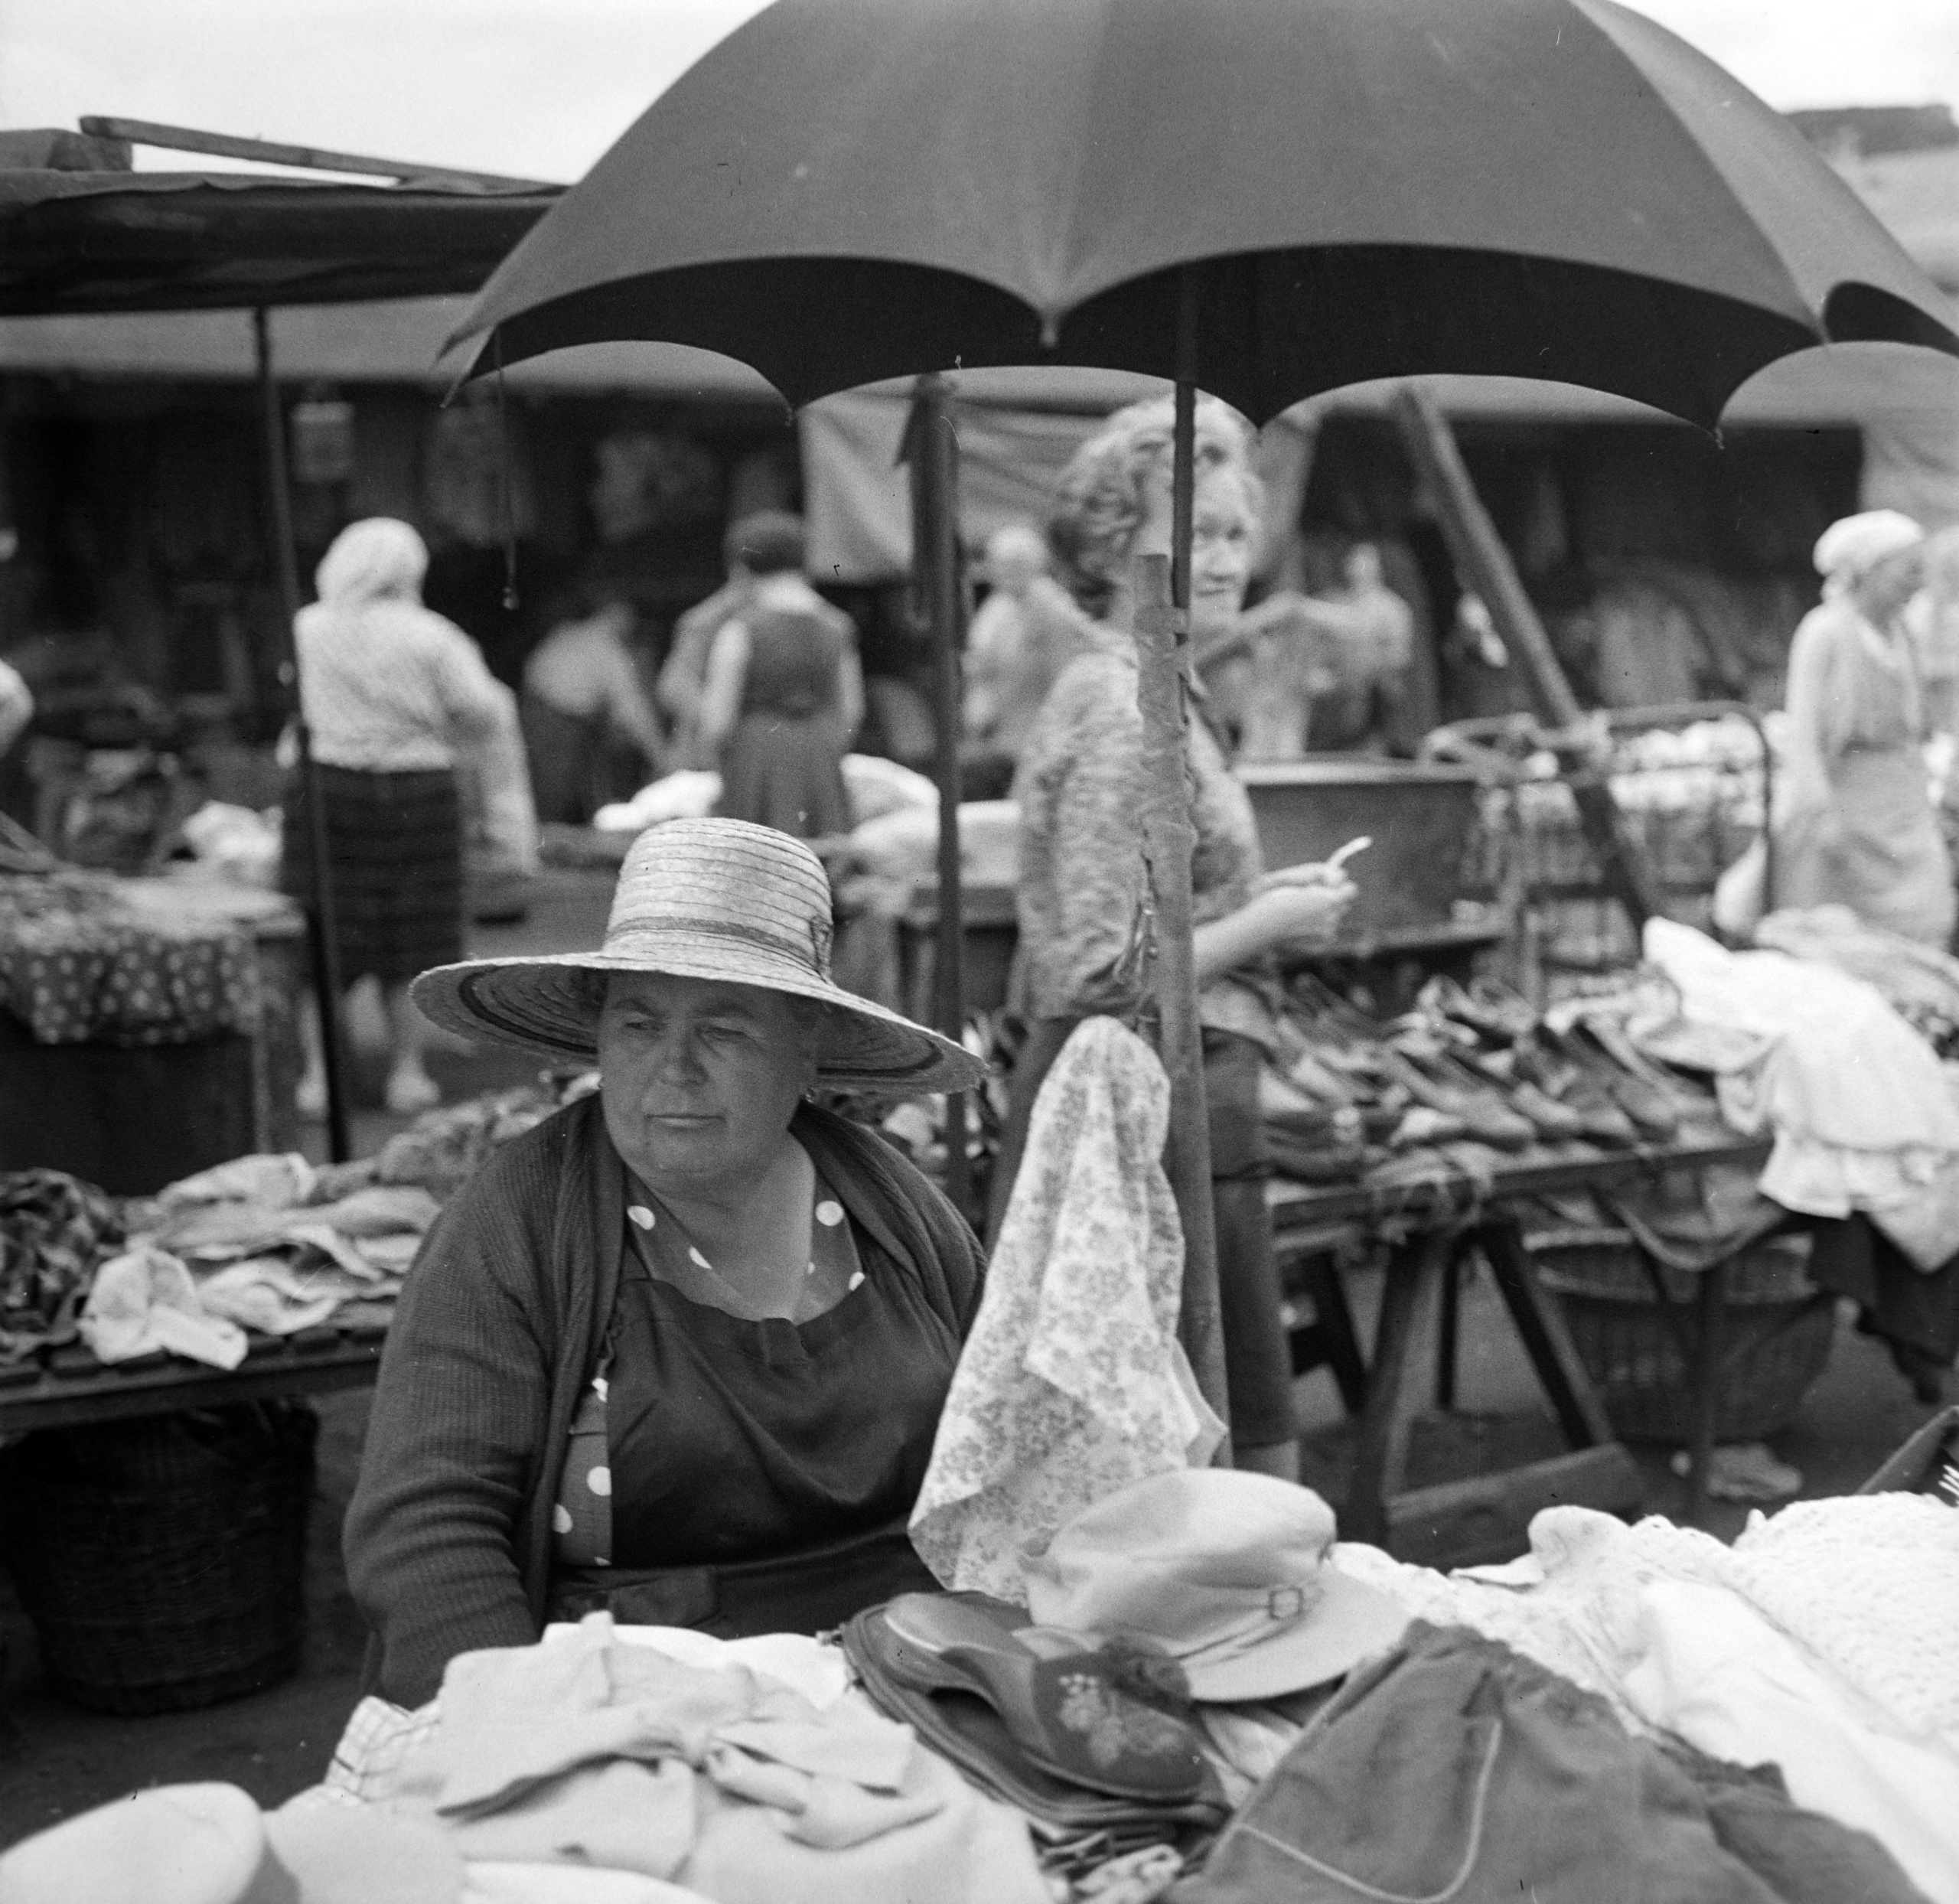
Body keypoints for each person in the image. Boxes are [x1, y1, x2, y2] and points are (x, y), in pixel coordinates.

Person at [345, 818, 987, 1707]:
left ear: (805, 1047)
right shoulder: (519, 1220)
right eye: (639, 1024)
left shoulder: (894, 1207)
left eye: (724, 1029)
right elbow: (428, 1530)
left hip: (908, 1689)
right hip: (618, 1716)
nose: (673, 1069)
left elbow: (1009, 1455)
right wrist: (519, 1729)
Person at [998, 396, 1356, 1482]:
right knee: (1158, 1470)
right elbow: (1095, 970)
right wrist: (1272, 920)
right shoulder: (1121, 705)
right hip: (1137, 1108)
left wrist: (1254, 896)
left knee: (1227, 1433)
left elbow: (1163, 907)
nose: (1226, 559)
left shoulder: (1167, 688)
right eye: (1194, 534)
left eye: (1239, 533)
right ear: (1117, 547)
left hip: (1191, 1098)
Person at [282, 518, 507, 1117]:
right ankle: (406, 1073)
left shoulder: (308, 627)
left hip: (325, 788)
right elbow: (481, 710)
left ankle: (319, 1079)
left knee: (324, 937)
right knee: (411, 934)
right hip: (418, 791)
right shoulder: (433, 635)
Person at [1775, 509, 1952, 947]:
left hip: (1904, 808)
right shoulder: (1824, 632)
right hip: (1843, 805)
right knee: (1841, 934)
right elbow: (1803, 735)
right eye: (1908, 570)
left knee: (1929, 916)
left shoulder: (1902, 633)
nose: (1918, 583)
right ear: (1868, 569)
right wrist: (1820, 813)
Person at [699, 513, 864, 839]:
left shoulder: (742, 628)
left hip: (756, 756)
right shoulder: (837, 626)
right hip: (819, 754)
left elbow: (717, 720)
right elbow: (852, 711)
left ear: (742, 568)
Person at [520, 582, 667, 823]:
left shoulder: (567, 632)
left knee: (541, 789)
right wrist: (662, 757)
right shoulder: (607, 648)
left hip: (533, 708)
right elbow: (634, 711)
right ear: (617, 614)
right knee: (555, 794)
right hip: (559, 722)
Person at [960, 522, 1085, 761]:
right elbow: (980, 661)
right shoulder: (998, 605)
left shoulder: (1052, 607)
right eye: (998, 564)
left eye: (1012, 565)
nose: (1000, 572)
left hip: (1037, 728)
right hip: (999, 726)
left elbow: (1061, 671)